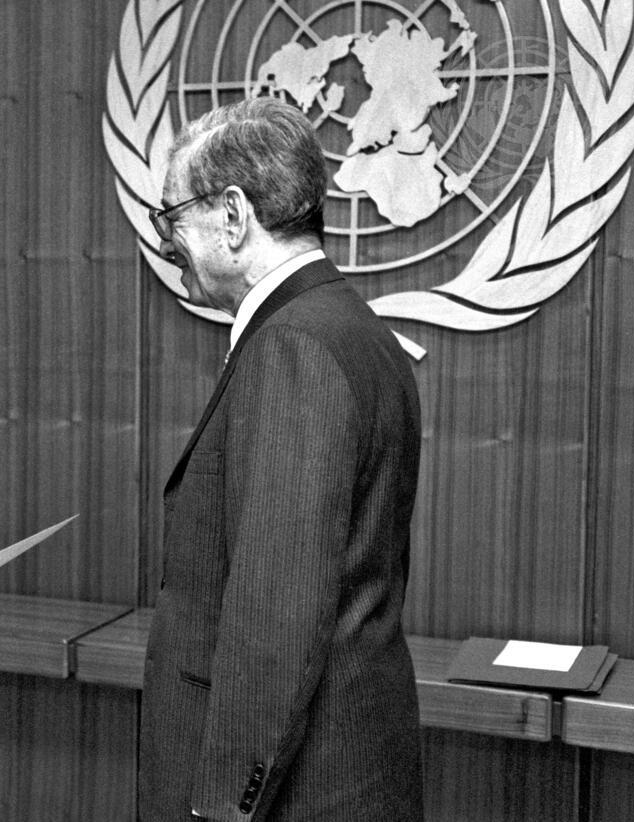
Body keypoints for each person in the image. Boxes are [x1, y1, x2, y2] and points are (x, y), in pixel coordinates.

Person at [138, 97, 424, 821]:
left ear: (233, 216)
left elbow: (276, 613)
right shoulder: (349, 325)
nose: (166, 243)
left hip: (296, 792)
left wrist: (223, 806)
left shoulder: (294, 345)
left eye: (172, 217)